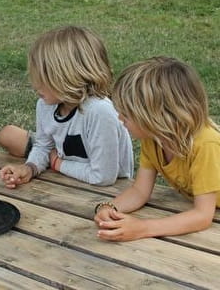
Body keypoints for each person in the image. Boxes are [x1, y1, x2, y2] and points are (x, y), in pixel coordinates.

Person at [94, 56, 220, 242]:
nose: (120, 119)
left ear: (158, 116)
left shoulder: (206, 145)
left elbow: (202, 216)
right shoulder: (153, 139)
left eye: (127, 114)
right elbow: (139, 192)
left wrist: (142, 228)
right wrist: (108, 207)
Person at [0, 25, 134, 188]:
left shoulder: (99, 111)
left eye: (43, 78)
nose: (34, 84)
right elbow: (44, 146)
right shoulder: (45, 104)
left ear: (69, 77)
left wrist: (57, 163)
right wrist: (30, 168)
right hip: (68, 176)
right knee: (7, 135)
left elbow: (103, 177)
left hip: (107, 190)